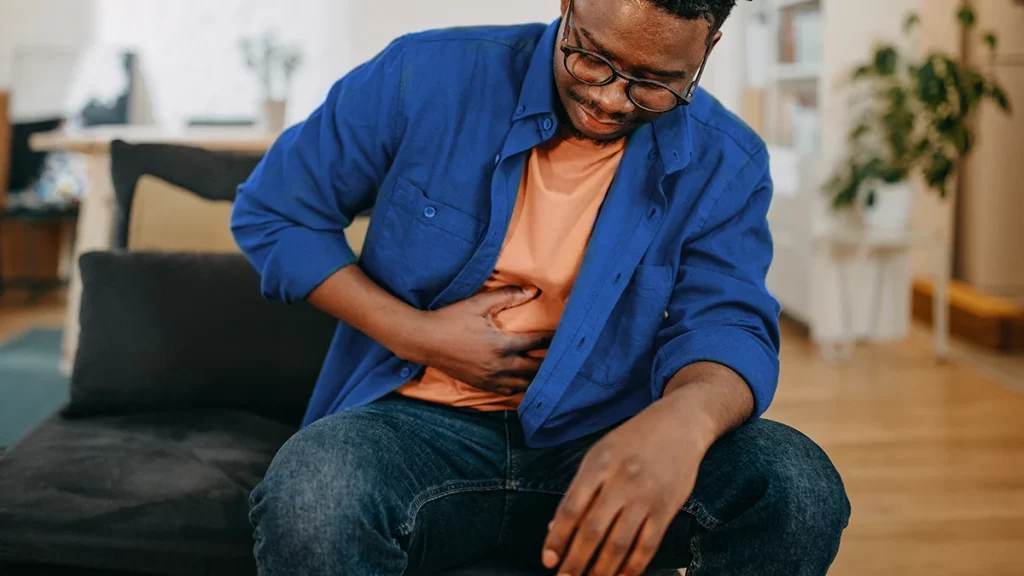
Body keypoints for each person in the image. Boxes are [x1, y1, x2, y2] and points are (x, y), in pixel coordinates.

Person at [231, 0, 851, 574]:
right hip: (411, 427)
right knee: (314, 494)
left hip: (605, 440)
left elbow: (729, 325)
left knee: (796, 485)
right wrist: (418, 334)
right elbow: (275, 213)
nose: (610, 100)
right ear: (567, 3)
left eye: (655, 83)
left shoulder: (728, 160)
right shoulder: (425, 75)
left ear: (708, 47)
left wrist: (683, 422)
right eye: (593, 58)